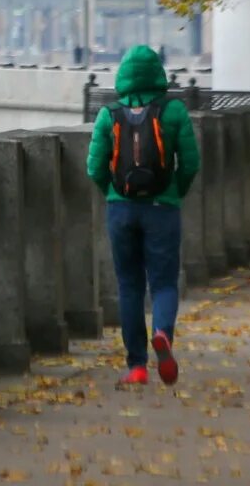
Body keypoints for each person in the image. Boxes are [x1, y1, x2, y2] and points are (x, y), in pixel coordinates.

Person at [85, 45, 201, 387]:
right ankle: (162, 333)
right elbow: (190, 163)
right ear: (158, 74)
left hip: (121, 210)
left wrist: (112, 192)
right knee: (164, 282)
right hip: (162, 208)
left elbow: (94, 167)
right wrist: (174, 192)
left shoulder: (109, 115)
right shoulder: (174, 110)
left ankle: (136, 365)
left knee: (129, 285)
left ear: (123, 76)